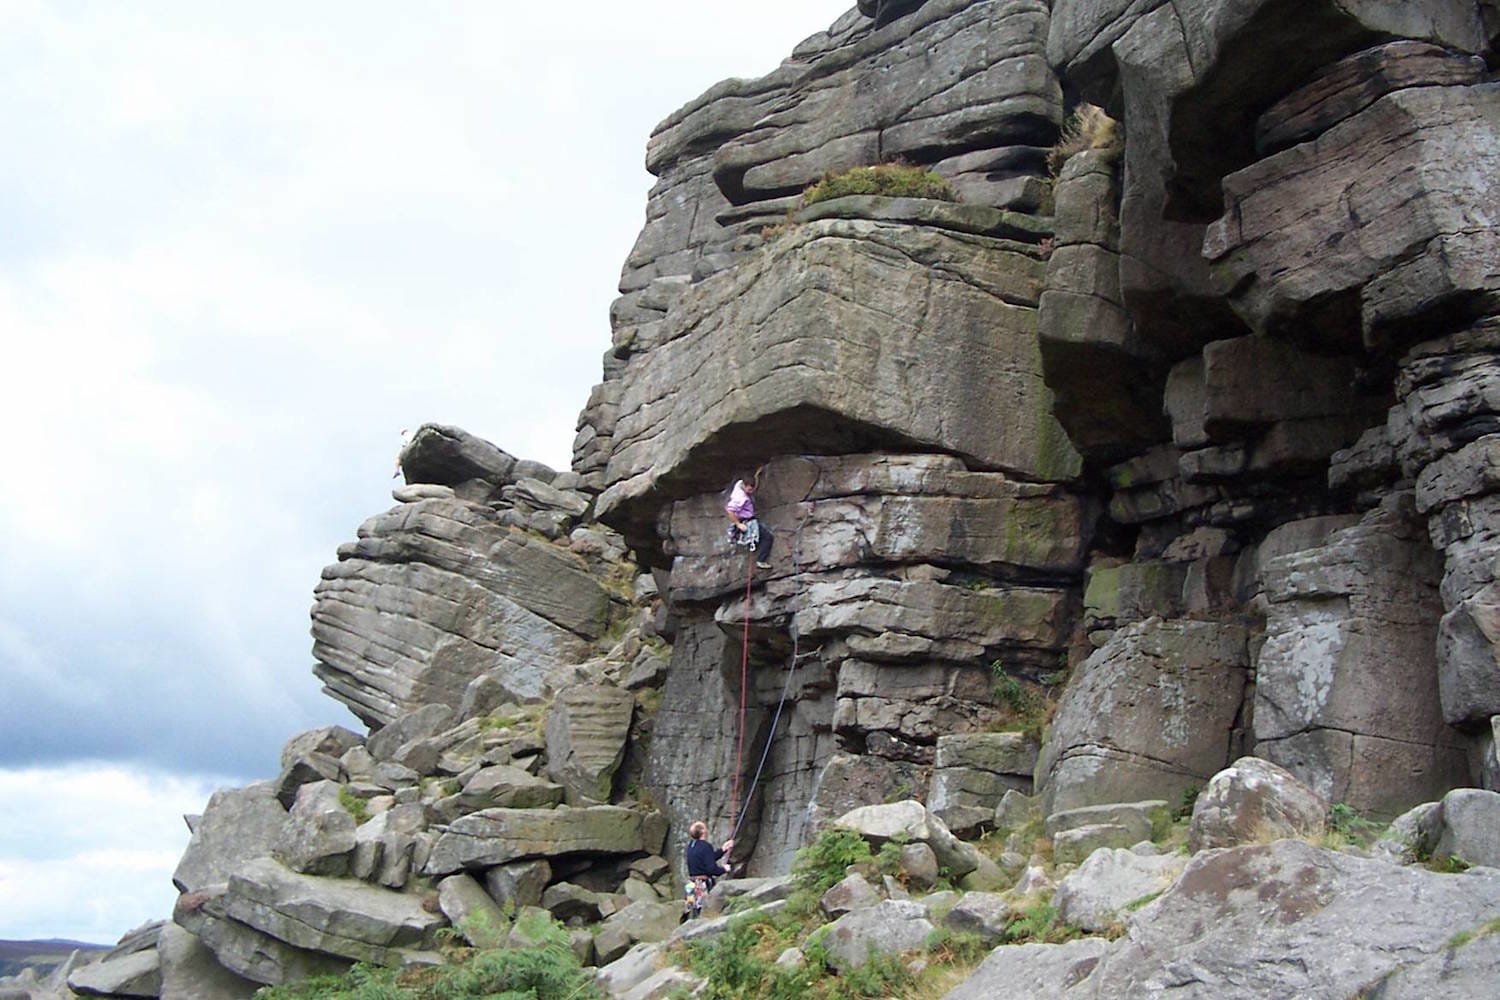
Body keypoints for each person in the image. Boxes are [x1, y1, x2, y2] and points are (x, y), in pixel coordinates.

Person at [683, 820, 734, 918]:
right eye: (704, 827)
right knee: (704, 913)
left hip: (691, 884)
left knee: (691, 913)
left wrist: (723, 849)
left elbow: (708, 858)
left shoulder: (691, 846)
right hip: (702, 885)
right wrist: (724, 869)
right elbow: (711, 869)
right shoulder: (706, 847)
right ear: (702, 831)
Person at [725, 470, 774, 569]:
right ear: (745, 485)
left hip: (747, 517)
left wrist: (756, 475)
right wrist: (738, 524)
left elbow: (751, 484)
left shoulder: (739, 484)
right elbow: (730, 511)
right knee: (768, 537)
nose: (751, 492)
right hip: (747, 521)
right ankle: (761, 560)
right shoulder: (740, 498)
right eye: (749, 490)